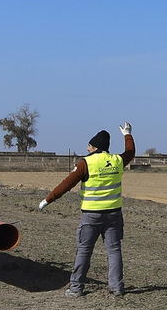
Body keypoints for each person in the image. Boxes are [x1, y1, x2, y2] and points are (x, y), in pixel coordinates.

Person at [38, 122, 134, 297]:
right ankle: (117, 287)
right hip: (114, 214)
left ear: (95, 147)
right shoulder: (117, 161)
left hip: (91, 215)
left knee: (84, 250)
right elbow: (130, 152)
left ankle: (76, 287)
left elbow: (67, 183)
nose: (87, 148)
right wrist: (127, 134)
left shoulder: (86, 163)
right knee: (114, 250)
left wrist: (48, 199)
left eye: (89, 145)